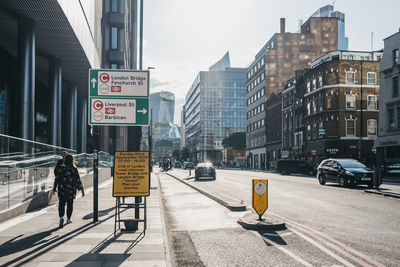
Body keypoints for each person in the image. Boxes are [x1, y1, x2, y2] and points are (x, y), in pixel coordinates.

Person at [53, 154, 85, 228]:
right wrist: (82, 190)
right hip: (71, 190)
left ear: (65, 160)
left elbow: (57, 178)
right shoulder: (74, 169)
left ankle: (61, 217)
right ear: (72, 160)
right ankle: (68, 219)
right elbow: (78, 180)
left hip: (62, 189)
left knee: (61, 203)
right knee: (70, 204)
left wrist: (54, 188)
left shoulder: (61, 168)